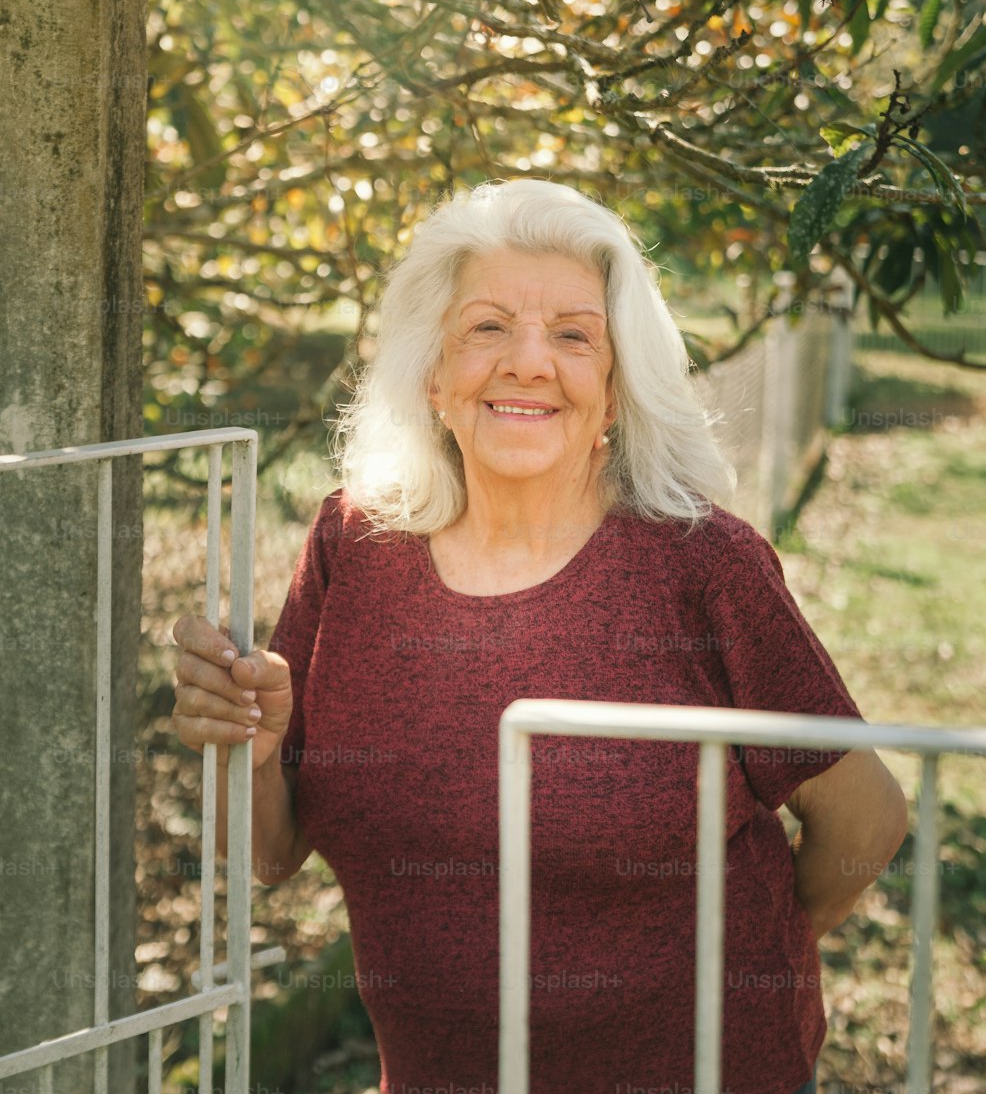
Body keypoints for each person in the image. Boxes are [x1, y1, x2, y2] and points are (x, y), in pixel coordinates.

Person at [172, 178, 908, 1094]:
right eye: (487, 326)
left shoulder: (702, 565)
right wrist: (253, 744)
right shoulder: (351, 545)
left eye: (573, 334)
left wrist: (738, 967)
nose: (528, 362)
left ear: (613, 393)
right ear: (432, 374)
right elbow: (269, 856)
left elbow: (867, 819)